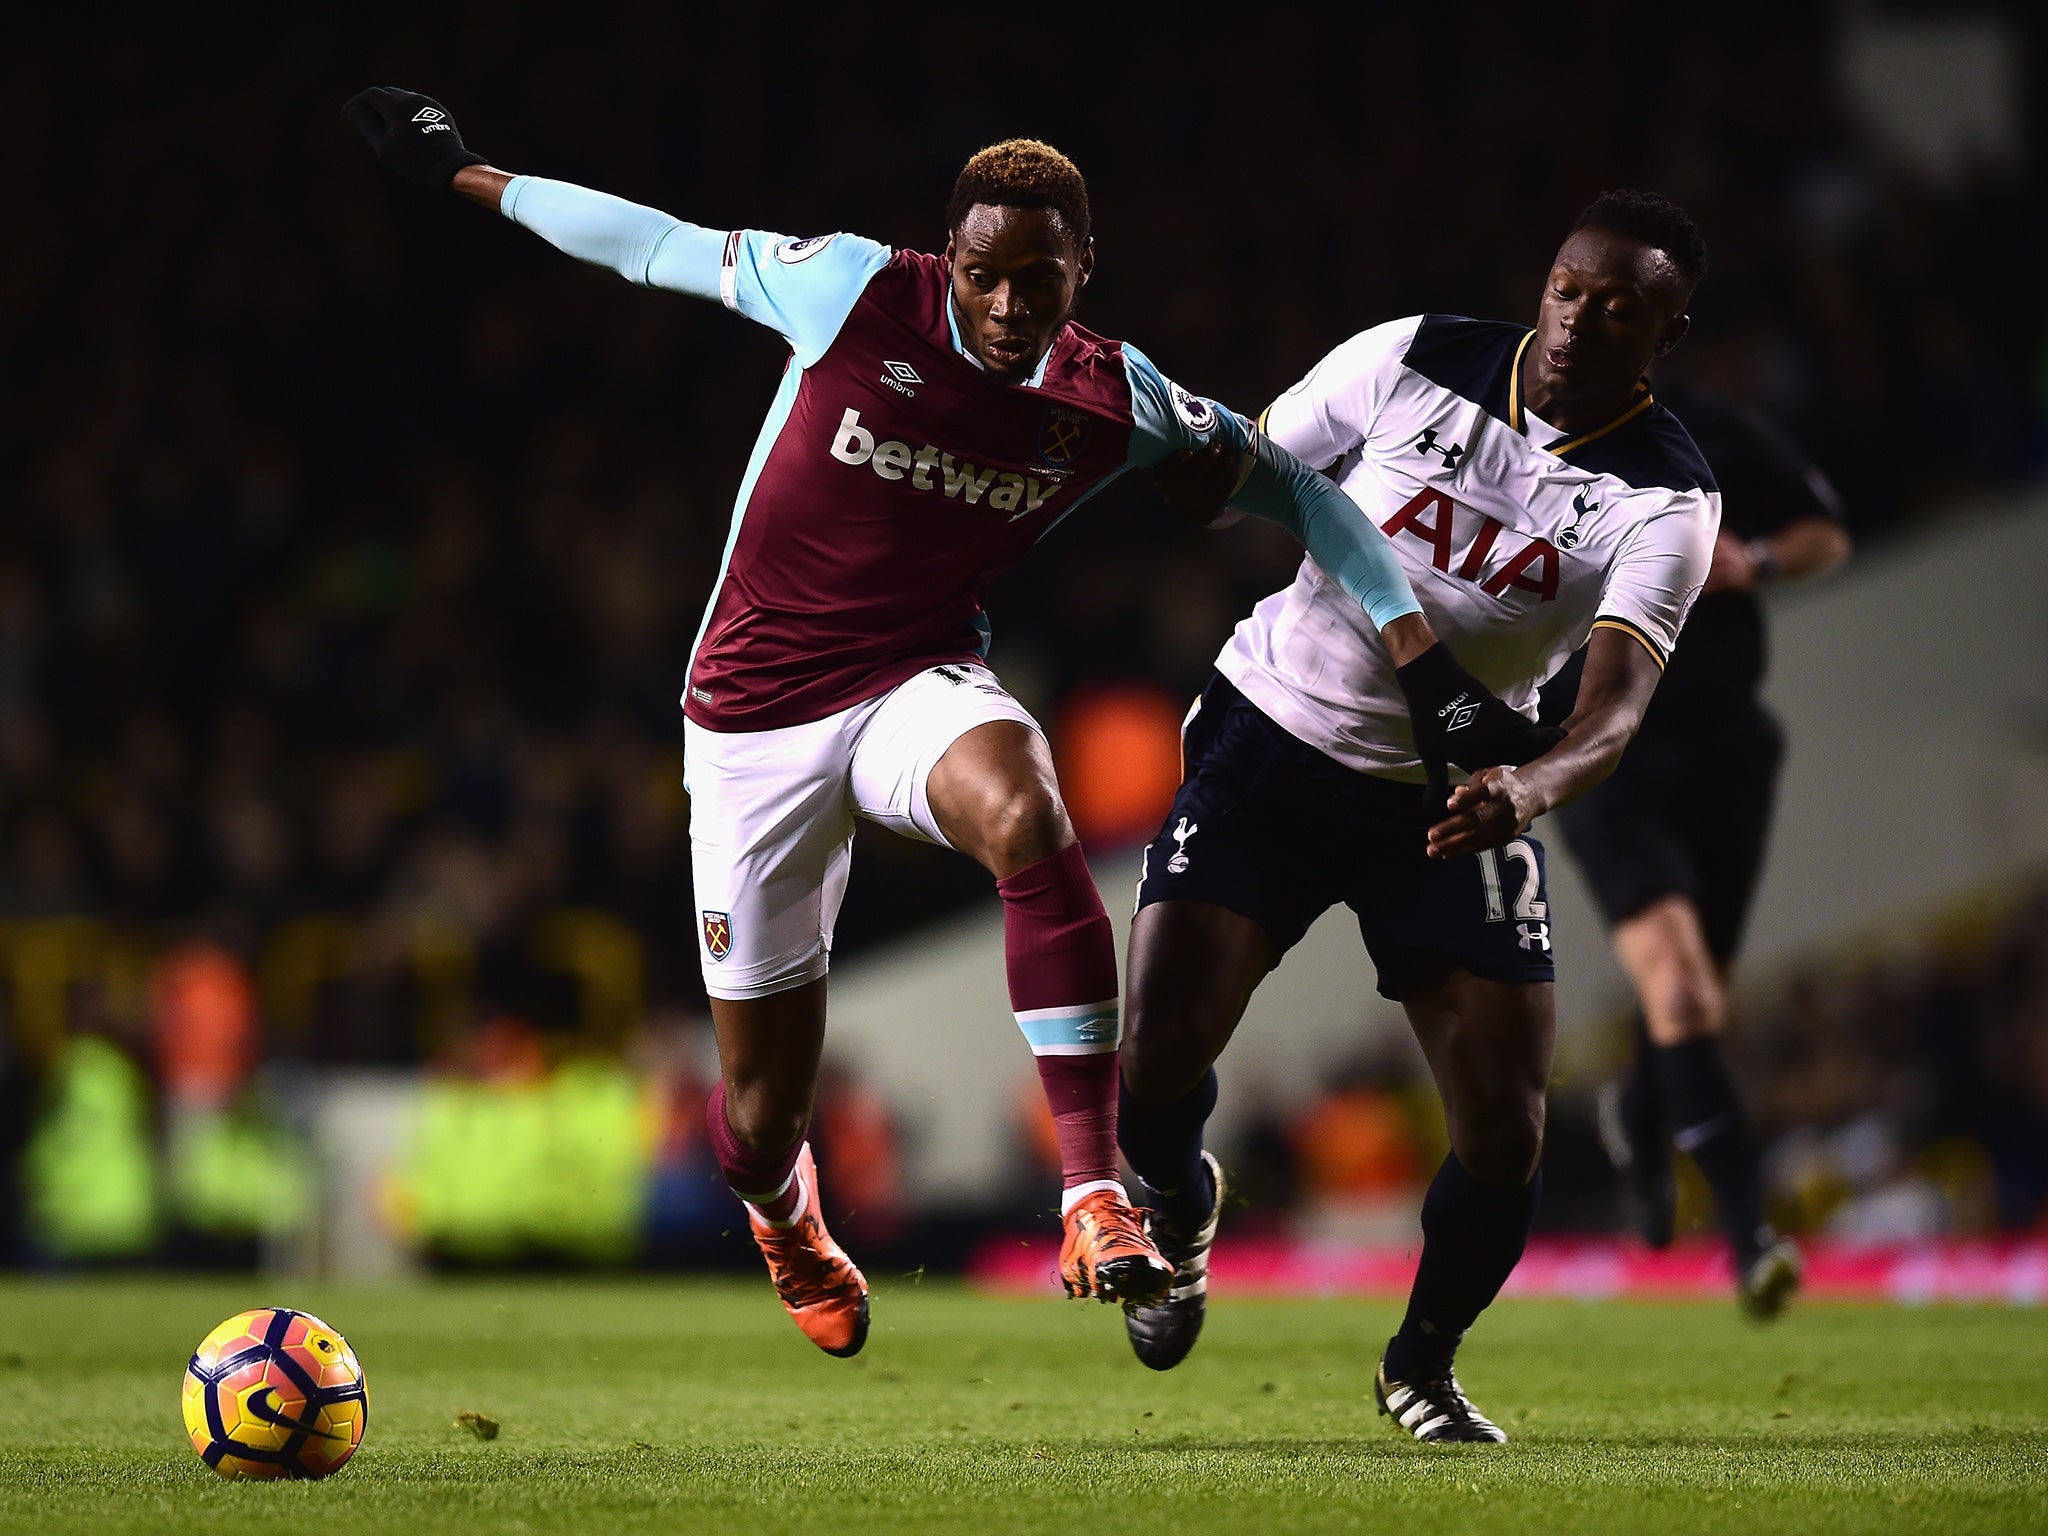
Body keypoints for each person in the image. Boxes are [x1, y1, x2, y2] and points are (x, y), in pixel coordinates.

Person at [342, 87, 1551, 1358]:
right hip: (750, 718)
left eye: (1040, 278)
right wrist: (470, 177)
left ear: (1084, 267)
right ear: (948, 257)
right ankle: (783, 1213)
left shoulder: (1114, 399)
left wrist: (1415, 654)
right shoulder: (853, 292)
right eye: (984, 274)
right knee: (760, 1110)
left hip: (909, 684)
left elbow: (1302, 492)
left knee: (1024, 800)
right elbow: (652, 242)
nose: (1009, 305)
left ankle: (1091, 1197)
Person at [1116, 191, 1720, 1442]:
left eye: (1617, 307)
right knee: (1157, 1055)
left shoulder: (1665, 500)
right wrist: (1189, 472)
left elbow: (1610, 714)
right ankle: (1177, 1208)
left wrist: (1527, 791)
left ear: (1664, 333)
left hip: (1453, 798)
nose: (1575, 319)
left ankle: (1421, 1366)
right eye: (1565, 286)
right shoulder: (1408, 356)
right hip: (1269, 738)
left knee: (1505, 1126)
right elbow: (1252, 465)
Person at [1539, 380, 1849, 1318]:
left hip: (1725, 745)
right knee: (1678, 980)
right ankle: (1752, 1239)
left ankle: (1641, 1108)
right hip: (1601, 751)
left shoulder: (1709, 432)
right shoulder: (1513, 451)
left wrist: (1751, 556)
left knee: (1695, 986)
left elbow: (1823, 534)